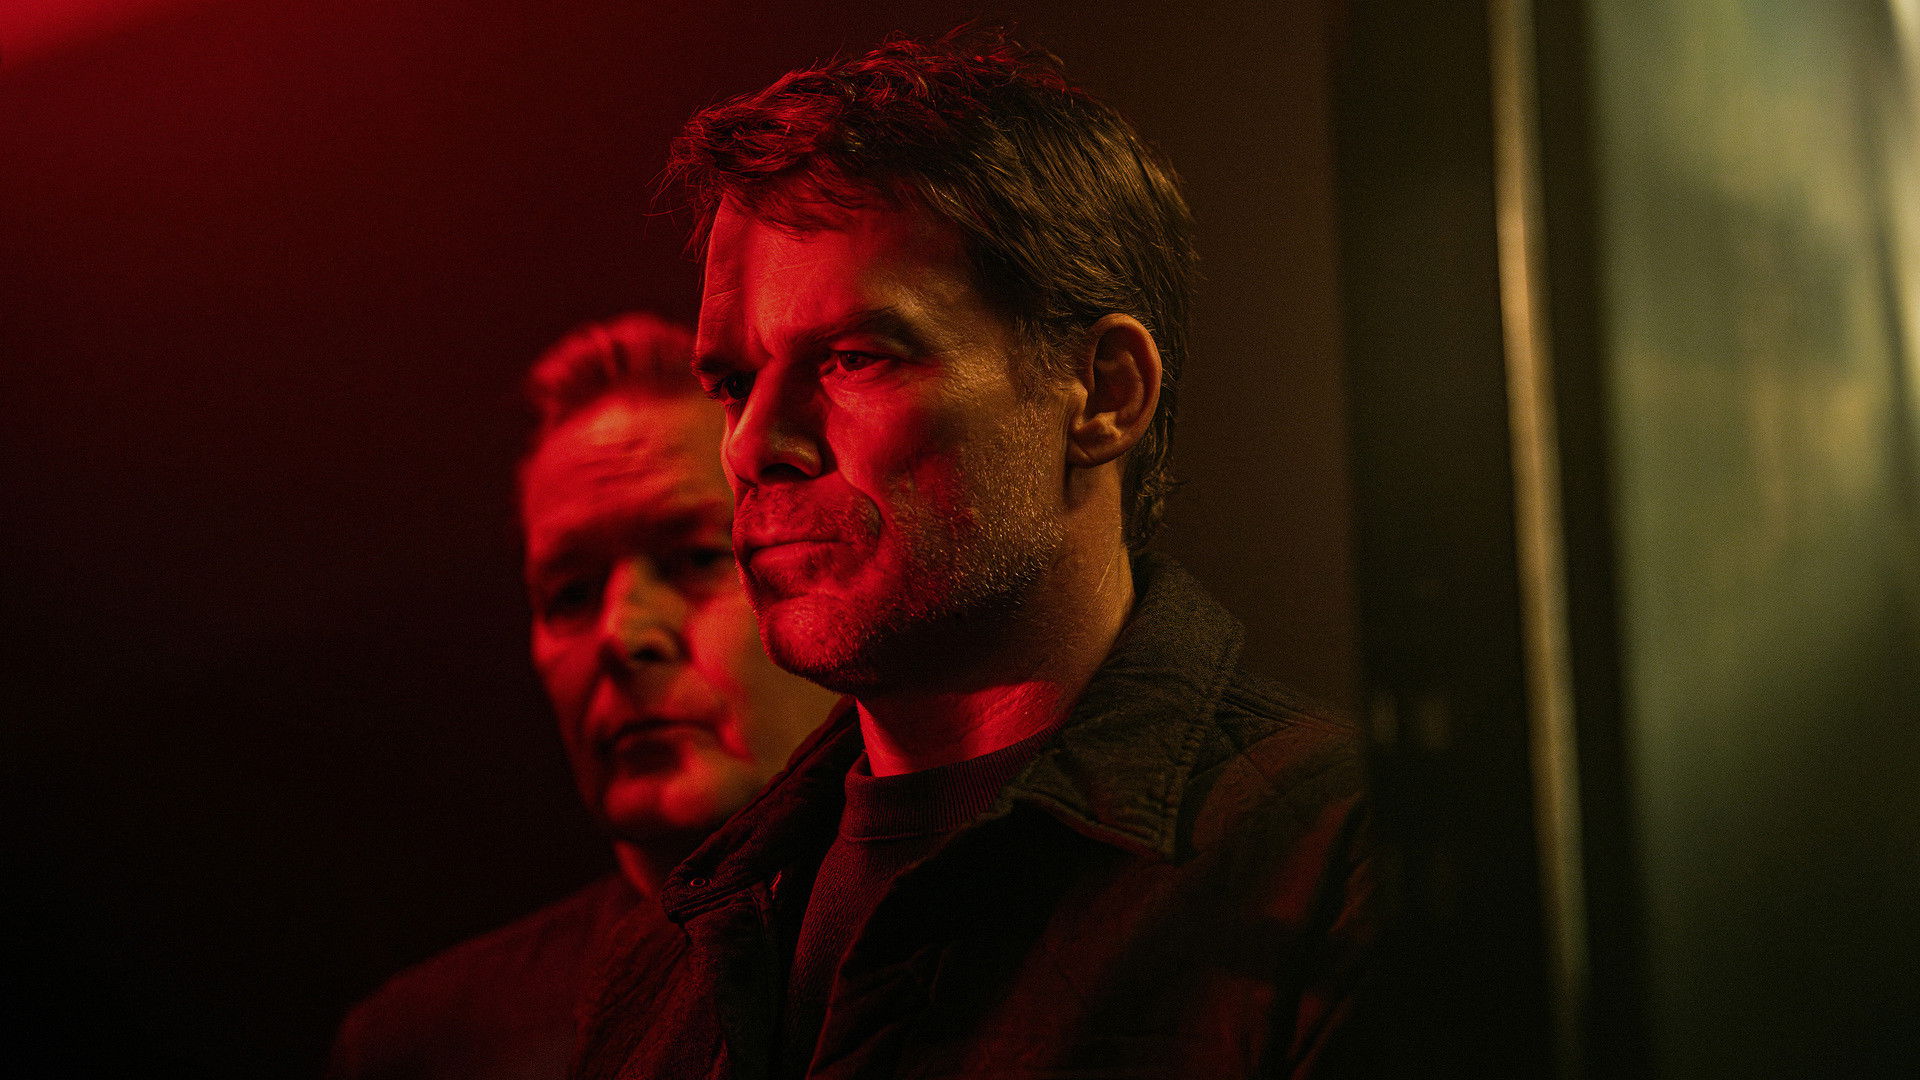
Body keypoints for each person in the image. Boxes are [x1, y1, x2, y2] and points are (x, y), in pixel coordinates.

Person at [575, 28, 1381, 1080]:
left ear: (1105, 392)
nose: (751, 443)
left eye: (855, 357)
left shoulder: (1343, 876)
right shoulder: (674, 949)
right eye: (733, 383)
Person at [327, 315, 840, 1080]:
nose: (621, 636)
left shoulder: (985, 957)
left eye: (696, 558)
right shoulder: (426, 1049)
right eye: (570, 594)